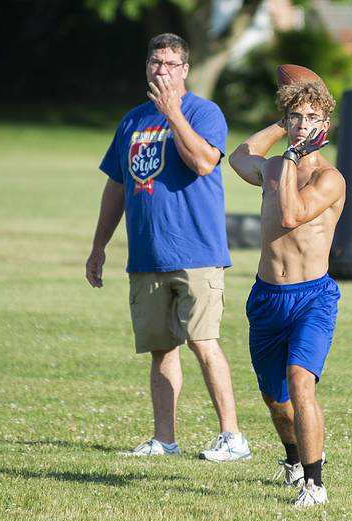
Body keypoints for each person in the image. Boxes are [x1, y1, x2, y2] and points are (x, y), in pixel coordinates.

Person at [86, 33, 250, 462]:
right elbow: (117, 186)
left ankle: (232, 437)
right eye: (154, 62)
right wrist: (99, 245)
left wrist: (174, 114)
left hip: (197, 252)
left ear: (185, 70)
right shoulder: (132, 121)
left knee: (204, 341)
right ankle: (165, 439)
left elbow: (202, 162)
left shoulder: (204, 112)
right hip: (147, 255)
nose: (161, 69)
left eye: (170, 63)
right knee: (161, 349)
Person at [228, 80, 344, 506]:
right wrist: (280, 128)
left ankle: (314, 484)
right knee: (275, 399)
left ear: (326, 124)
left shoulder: (330, 179)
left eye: (313, 118)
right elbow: (239, 158)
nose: (303, 125)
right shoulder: (274, 167)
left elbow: (292, 214)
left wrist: (292, 156)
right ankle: (296, 458)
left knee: (301, 382)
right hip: (266, 297)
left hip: (311, 297)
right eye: (296, 116)